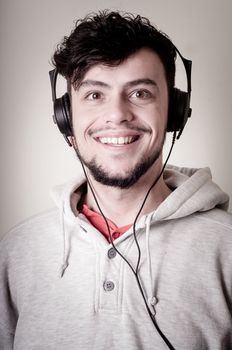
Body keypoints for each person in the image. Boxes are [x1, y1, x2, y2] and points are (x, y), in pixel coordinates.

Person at [0, 10, 231, 350]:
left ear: (175, 112)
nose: (117, 114)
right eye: (94, 95)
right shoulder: (17, 251)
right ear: (66, 118)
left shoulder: (226, 250)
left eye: (140, 93)